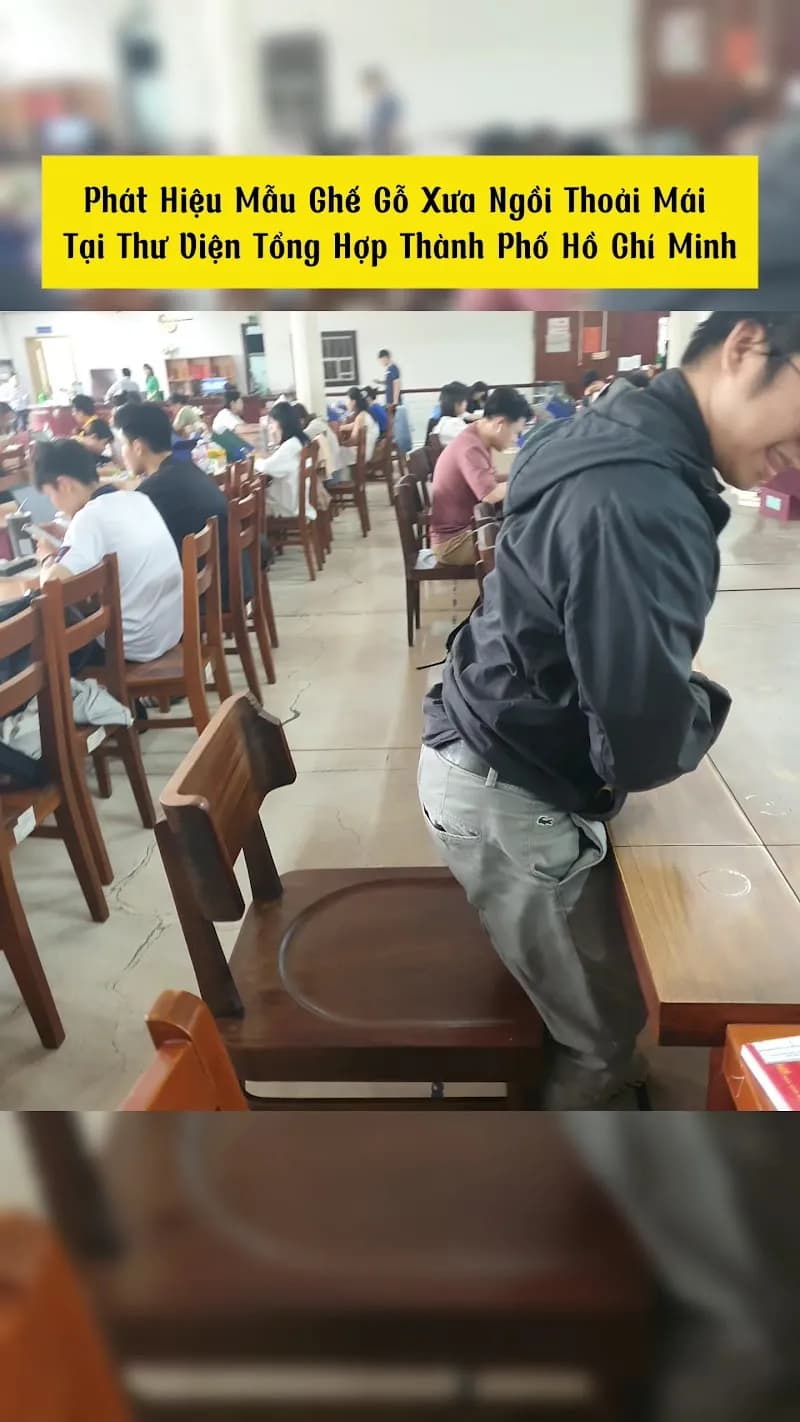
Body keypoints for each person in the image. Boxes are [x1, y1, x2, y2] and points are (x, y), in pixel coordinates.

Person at [418, 312, 800, 1110]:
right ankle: (581, 1205)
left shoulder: (615, 423)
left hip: (484, 733)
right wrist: (697, 699)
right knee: (601, 1034)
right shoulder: (638, 496)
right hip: (505, 784)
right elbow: (641, 743)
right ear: (747, 346)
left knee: (612, 967)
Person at [33, 438, 182, 664]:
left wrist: (47, 556)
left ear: (63, 484)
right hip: (169, 632)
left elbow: (51, 586)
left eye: (50, 495)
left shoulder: (89, 517)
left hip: (131, 645)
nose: (54, 504)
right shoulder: (137, 498)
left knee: (39, 634)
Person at [112, 400, 237, 609]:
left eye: (122, 444)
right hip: (225, 581)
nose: (120, 451)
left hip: (203, 596)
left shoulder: (155, 490)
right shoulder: (186, 469)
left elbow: (123, 549)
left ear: (138, 447)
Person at [429, 386, 530, 566]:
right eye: (516, 432)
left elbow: (492, 482)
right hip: (454, 544)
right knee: (528, 546)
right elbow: (489, 495)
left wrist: (521, 474)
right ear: (500, 424)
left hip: (468, 531)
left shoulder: (477, 436)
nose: (516, 439)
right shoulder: (471, 447)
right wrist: (528, 480)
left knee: (526, 533)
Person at [261, 402, 316, 521]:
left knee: (252, 506)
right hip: (298, 503)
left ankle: (263, 539)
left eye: (272, 423)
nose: (270, 428)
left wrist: (253, 461)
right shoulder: (300, 440)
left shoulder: (290, 446)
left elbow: (266, 467)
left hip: (287, 507)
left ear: (282, 423)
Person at [293, 403, 344, 484]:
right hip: (335, 472)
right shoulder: (317, 422)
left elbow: (296, 442)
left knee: (299, 481)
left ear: (300, 420)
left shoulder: (313, 427)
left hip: (331, 476)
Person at [361, 69, 403, 155]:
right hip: (380, 147)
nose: (368, 90)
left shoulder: (388, 102)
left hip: (386, 148)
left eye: (369, 85)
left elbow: (392, 128)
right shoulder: (378, 103)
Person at [338, 386, 379, 467]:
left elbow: (353, 440)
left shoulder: (360, 417)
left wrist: (340, 443)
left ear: (353, 402)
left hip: (362, 454)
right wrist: (341, 427)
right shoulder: (366, 413)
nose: (347, 403)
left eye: (348, 400)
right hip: (366, 451)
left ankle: (338, 479)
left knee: (333, 453)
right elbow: (355, 425)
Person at [432, 381, 471, 447]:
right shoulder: (455, 424)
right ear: (457, 404)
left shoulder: (443, 422)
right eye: (465, 401)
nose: (466, 404)